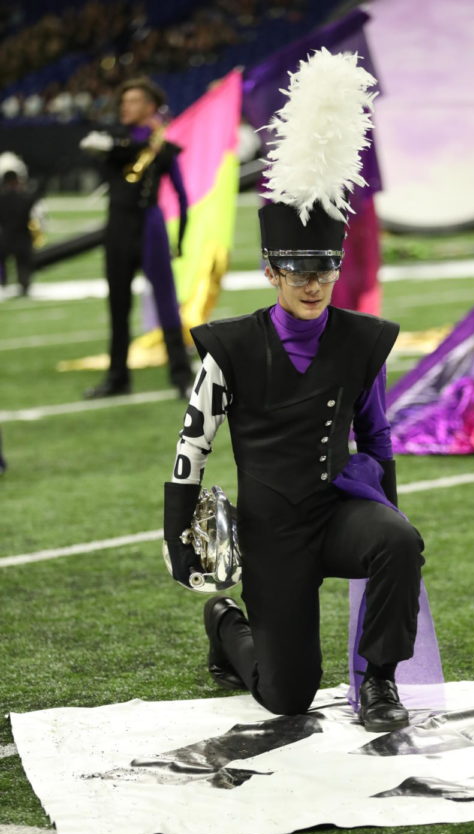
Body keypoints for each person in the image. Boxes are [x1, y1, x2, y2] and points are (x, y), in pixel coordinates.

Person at [163, 50, 425, 733]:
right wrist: (177, 537)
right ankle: (226, 627)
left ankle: (379, 682)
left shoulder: (362, 339)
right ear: (273, 272)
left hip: (338, 512)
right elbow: (193, 444)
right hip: (271, 531)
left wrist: (388, 515)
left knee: (399, 540)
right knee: (287, 696)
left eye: (325, 269)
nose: (313, 284)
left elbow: (377, 435)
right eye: (297, 270)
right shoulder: (230, 346)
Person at [80, 76, 193, 399]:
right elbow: (112, 151)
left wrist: (180, 240)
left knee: (166, 303)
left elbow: (183, 197)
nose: (124, 107)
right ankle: (118, 378)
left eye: (133, 101)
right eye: (124, 101)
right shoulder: (113, 140)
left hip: (150, 227)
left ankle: (182, 377)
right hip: (117, 227)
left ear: (150, 107)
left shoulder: (164, 147)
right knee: (117, 304)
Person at [0, 169, 45, 297]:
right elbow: (36, 205)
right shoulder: (25, 198)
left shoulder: (1, 199)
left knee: (1, 261)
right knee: (24, 263)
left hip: (5, 239)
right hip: (22, 239)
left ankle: (3, 281)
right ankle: (24, 284)